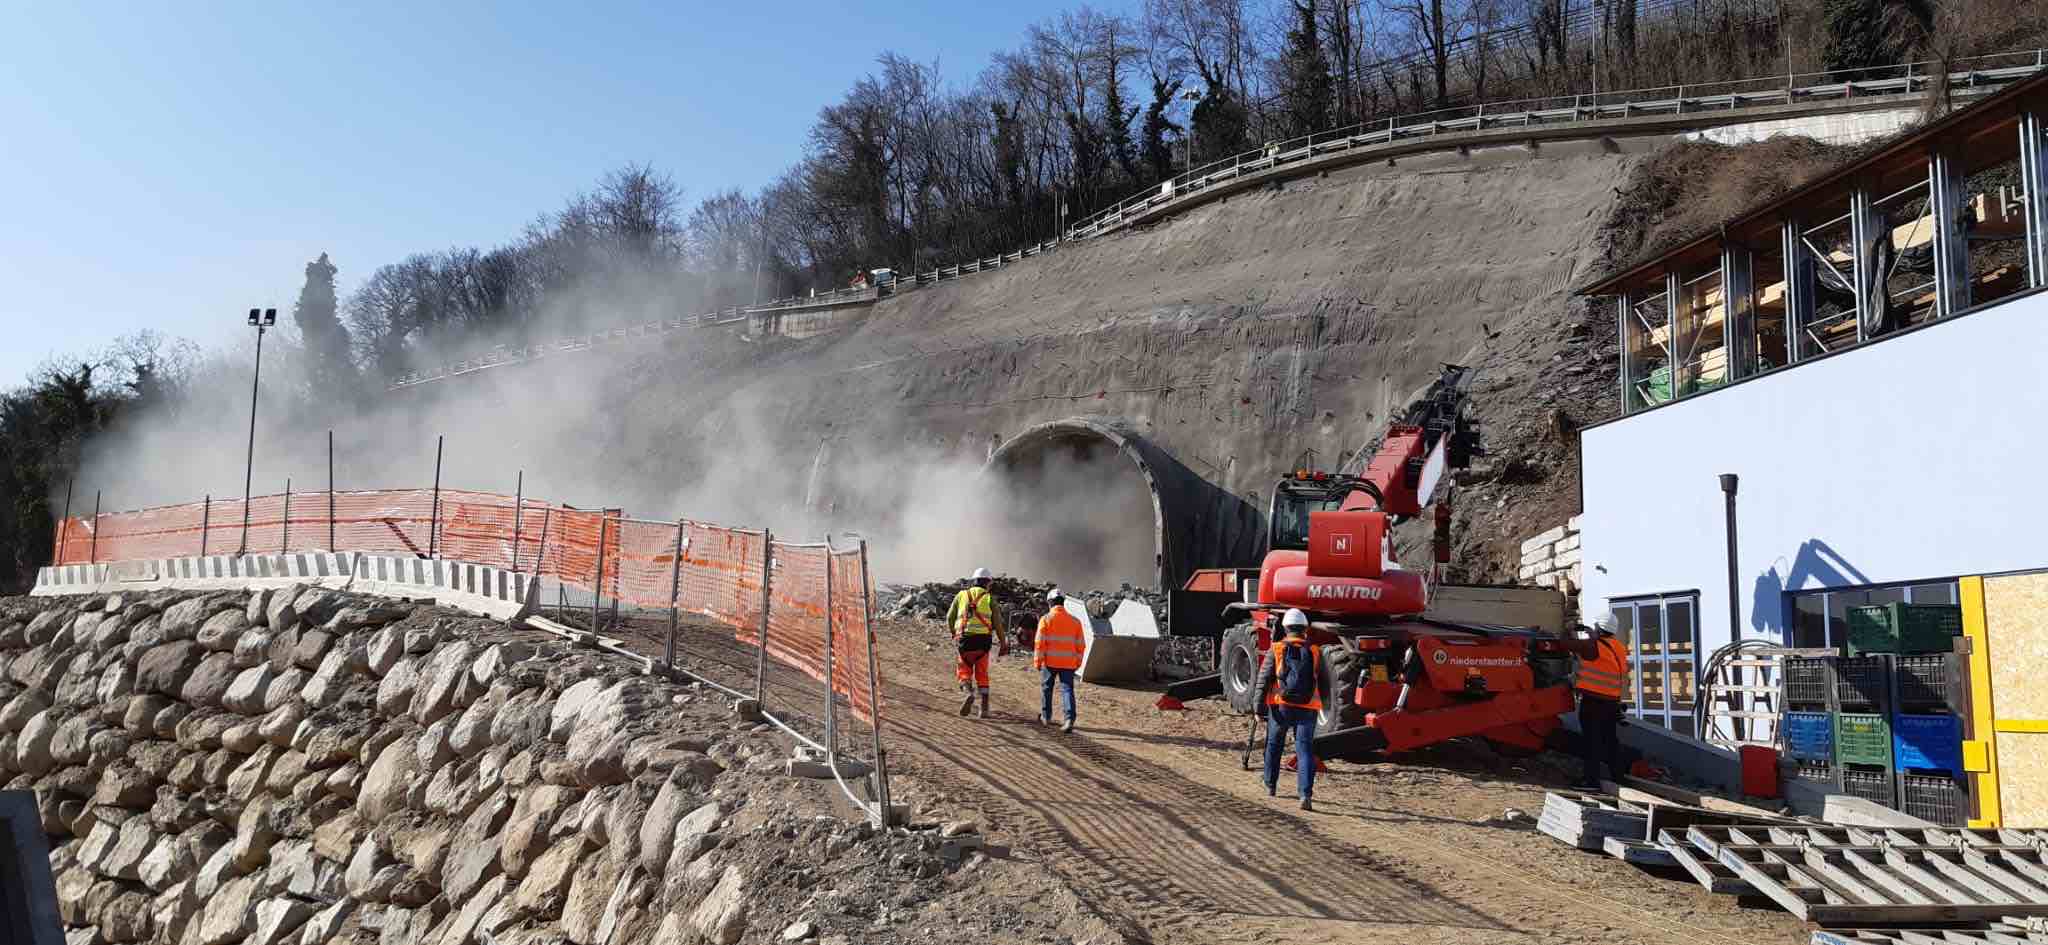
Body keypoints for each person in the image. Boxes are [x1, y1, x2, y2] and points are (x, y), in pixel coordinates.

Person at [1255, 608, 1329, 811]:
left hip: (1281, 706)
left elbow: (1263, 679)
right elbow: (1323, 681)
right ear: (1305, 628)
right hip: (1308, 708)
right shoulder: (1315, 651)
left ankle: (1270, 784)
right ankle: (1305, 795)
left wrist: (1257, 707)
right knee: (1305, 750)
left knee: (1274, 744)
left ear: (1285, 627)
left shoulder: (1277, 648)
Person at [1563, 620, 1631, 790]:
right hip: (1612, 702)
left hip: (1594, 703)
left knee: (1591, 742)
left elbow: (1566, 644)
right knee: (1610, 741)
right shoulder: (1618, 647)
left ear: (1599, 628)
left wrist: (1569, 630)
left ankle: (1591, 781)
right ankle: (1618, 778)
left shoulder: (1593, 646)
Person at [944, 567, 1007, 719]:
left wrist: (954, 634)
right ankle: (984, 709)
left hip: (964, 641)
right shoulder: (990, 598)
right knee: (982, 674)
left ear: (973, 581)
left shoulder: (961, 595)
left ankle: (968, 693)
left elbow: (949, 617)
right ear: (988, 584)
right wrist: (1003, 643)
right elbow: (998, 624)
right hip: (983, 643)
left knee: (964, 671)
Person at [1033, 588, 1086, 731]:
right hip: (1068, 664)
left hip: (1050, 663)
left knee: (1047, 689)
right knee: (1067, 690)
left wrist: (1037, 661)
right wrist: (1077, 663)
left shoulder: (1046, 619)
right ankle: (1069, 719)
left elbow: (1039, 643)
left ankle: (1046, 717)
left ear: (1050, 603)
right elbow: (1081, 645)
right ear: (1063, 603)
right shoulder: (1075, 621)